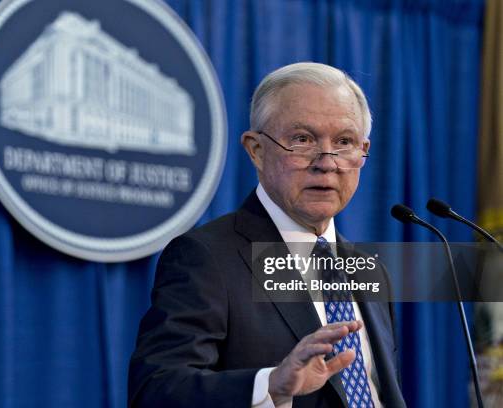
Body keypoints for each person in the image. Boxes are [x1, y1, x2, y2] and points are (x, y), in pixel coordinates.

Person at [128, 62, 406, 407]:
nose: (327, 161)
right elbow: (156, 391)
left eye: (344, 141)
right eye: (303, 139)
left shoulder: (370, 270)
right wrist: (270, 386)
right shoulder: (207, 257)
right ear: (256, 150)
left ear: (362, 152)